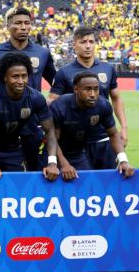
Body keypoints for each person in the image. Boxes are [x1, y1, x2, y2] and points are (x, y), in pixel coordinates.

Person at [0, 7, 57, 172]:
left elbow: (56, 81)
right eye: (18, 23)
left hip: (31, 122)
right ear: (8, 26)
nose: (23, 27)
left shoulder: (42, 52)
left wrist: (52, 99)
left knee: (33, 169)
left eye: (27, 23)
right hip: (0, 123)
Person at [0, 52, 59, 182]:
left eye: (24, 76)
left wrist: (52, 162)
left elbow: (50, 130)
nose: (21, 81)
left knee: (16, 188)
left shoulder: (36, 97)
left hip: (13, 150)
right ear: (5, 77)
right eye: (15, 76)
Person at [48, 26, 128, 169]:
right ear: (75, 45)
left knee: (106, 184)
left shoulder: (107, 69)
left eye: (91, 42)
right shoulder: (64, 73)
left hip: (103, 136)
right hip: (74, 141)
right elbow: (53, 103)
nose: (88, 46)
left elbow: (116, 98)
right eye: (83, 42)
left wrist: (124, 128)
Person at [50, 71, 134, 180]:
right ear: (76, 89)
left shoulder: (103, 105)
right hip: (53, 153)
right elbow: (52, 138)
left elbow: (113, 134)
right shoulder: (59, 106)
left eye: (96, 89)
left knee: (87, 185)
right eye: (88, 89)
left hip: (77, 153)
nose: (93, 94)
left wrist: (123, 160)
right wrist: (64, 164)